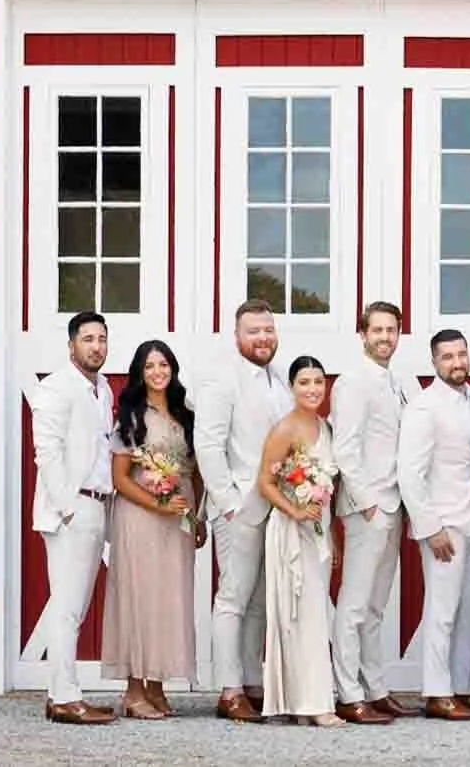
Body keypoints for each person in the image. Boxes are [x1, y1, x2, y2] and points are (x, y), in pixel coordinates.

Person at [193, 299, 291, 723]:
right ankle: (229, 689)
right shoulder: (222, 379)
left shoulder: (279, 382)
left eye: (268, 330)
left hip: (276, 506)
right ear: (237, 336)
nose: (263, 338)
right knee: (232, 597)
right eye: (254, 331)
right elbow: (209, 445)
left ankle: (253, 682)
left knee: (258, 601)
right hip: (239, 505)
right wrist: (228, 504)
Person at [104, 337, 200, 720]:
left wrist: (198, 518)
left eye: (163, 365)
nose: (158, 372)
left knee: (168, 599)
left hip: (179, 517)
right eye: (150, 367)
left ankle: (157, 686)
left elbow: (196, 471)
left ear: (173, 369)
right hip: (141, 518)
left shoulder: (185, 413)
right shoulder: (131, 415)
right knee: (138, 598)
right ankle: (133, 690)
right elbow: (120, 478)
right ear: (139, 374)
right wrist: (157, 503)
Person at [29, 309, 116, 725]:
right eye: (88, 339)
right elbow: (46, 453)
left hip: (99, 503)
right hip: (71, 509)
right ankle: (64, 697)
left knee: (76, 608)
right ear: (71, 345)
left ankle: (62, 692)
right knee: (65, 606)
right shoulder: (56, 389)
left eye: (101, 339)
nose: (96, 346)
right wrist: (66, 507)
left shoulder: (104, 390)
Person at [399, 327, 470, 720]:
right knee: (442, 609)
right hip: (444, 523)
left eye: (462, 355)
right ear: (434, 362)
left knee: (469, 610)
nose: (457, 362)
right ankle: (437, 692)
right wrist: (429, 525)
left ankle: (461, 686)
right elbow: (410, 472)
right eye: (448, 357)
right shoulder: (424, 407)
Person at [331, 300, 409, 724]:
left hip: (393, 503)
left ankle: (374, 686)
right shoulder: (353, 382)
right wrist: (367, 503)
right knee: (355, 604)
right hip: (368, 507)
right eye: (376, 330)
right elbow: (346, 447)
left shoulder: (397, 380)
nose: (384, 337)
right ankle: (348, 692)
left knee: (377, 605)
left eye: (391, 330)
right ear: (362, 334)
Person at [256, 355, 340, 726]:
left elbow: (329, 493)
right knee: (298, 616)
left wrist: (332, 535)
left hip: (317, 530)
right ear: (292, 388)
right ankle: (314, 704)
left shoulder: (327, 428)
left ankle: (307, 700)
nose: (313, 389)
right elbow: (265, 483)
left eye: (318, 382)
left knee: (315, 615)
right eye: (304, 382)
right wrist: (293, 511)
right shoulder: (284, 429)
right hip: (290, 530)